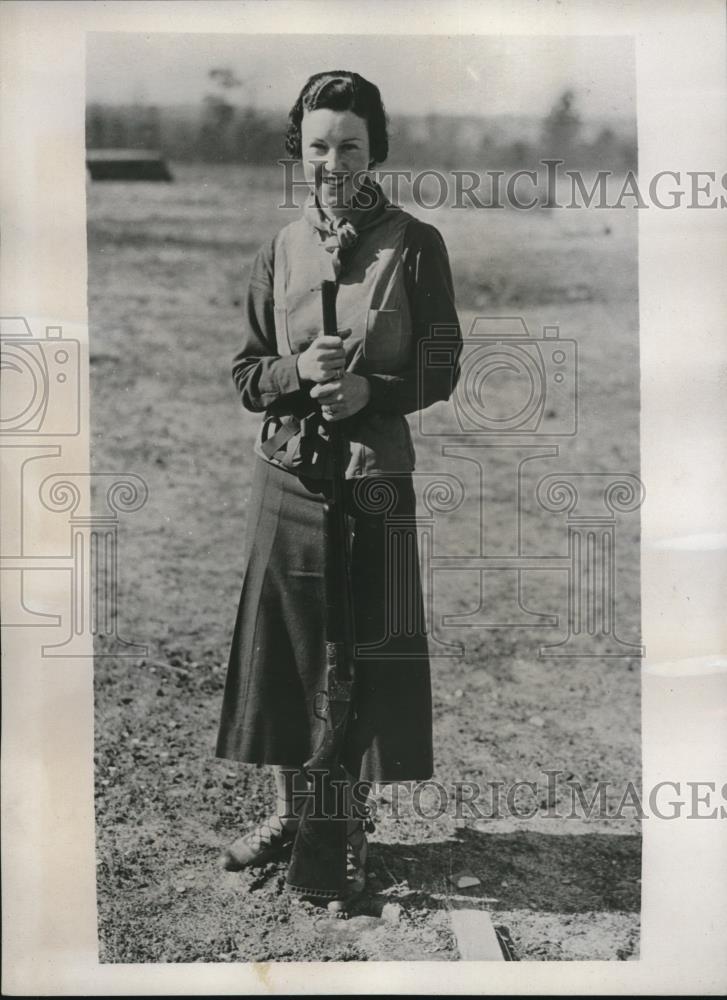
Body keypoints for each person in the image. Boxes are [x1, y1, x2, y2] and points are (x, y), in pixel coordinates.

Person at [215, 70, 462, 900]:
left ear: (373, 150)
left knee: (363, 661)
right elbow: (248, 375)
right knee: (288, 663)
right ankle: (291, 816)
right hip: (287, 483)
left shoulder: (415, 242)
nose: (332, 162)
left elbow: (441, 365)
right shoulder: (279, 248)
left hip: (374, 482)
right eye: (317, 146)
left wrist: (369, 391)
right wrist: (293, 368)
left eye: (349, 146)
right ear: (300, 151)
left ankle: (345, 831)